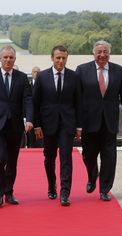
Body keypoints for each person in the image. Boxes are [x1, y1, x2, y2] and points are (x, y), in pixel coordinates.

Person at [76, 40, 122, 201]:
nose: (102, 55)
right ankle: (92, 176)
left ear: (109, 53)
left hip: (109, 121)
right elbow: (77, 98)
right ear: (93, 53)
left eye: (105, 51)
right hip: (89, 121)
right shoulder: (82, 70)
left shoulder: (118, 70)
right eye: (99, 52)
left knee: (109, 156)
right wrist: (77, 124)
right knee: (88, 155)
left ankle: (104, 189)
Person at [0, 45, 33, 208]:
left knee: (12, 161)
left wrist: (29, 119)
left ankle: (9, 192)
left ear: (14, 59)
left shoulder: (22, 77)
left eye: (11, 57)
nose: (8, 60)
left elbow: (28, 100)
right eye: (5, 57)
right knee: (0, 158)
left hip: (15, 126)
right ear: (0, 59)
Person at [33, 45, 81, 206]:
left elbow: (78, 104)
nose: (61, 61)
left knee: (66, 158)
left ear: (67, 58)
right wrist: (37, 125)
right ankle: (51, 185)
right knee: (49, 158)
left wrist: (79, 126)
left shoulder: (74, 77)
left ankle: (65, 192)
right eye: (58, 58)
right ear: (52, 58)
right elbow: (35, 102)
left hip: (67, 124)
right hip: (48, 124)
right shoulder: (42, 77)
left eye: (64, 58)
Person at [26, 66, 43, 148]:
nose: (36, 73)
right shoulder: (27, 86)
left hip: (41, 118)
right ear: (32, 73)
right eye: (34, 72)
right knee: (31, 141)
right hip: (30, 118)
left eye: (38, 72)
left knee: (41, 141)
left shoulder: (44, 85)